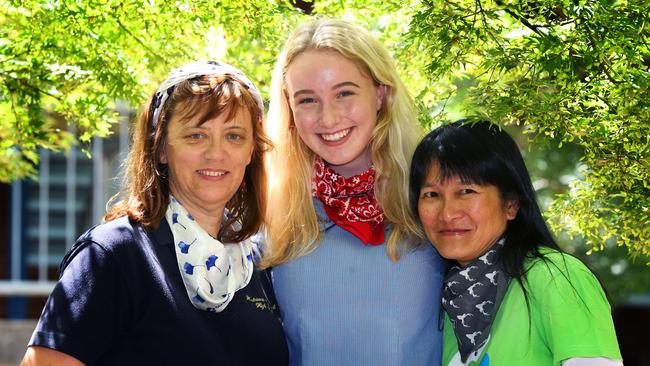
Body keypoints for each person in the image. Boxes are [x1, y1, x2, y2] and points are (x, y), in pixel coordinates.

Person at [21, 61, 288, 366]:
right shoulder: (115, 254)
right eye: (196, 136)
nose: (216, 153)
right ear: (161, 148)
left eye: (234, 136)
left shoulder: (258, 262)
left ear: (251, 151)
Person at [261, 18, 445, 365]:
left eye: (344, 93)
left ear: (380, 93)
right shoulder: (272, 218)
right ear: (289, 109)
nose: (328, 118)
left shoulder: (432, 203)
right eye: (307, 100)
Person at [409, 119, 623, 365]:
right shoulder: (449, 304)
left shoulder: (556, 278)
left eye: (466, 191)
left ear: (511, 204)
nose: (447, 214)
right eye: (432, 195)